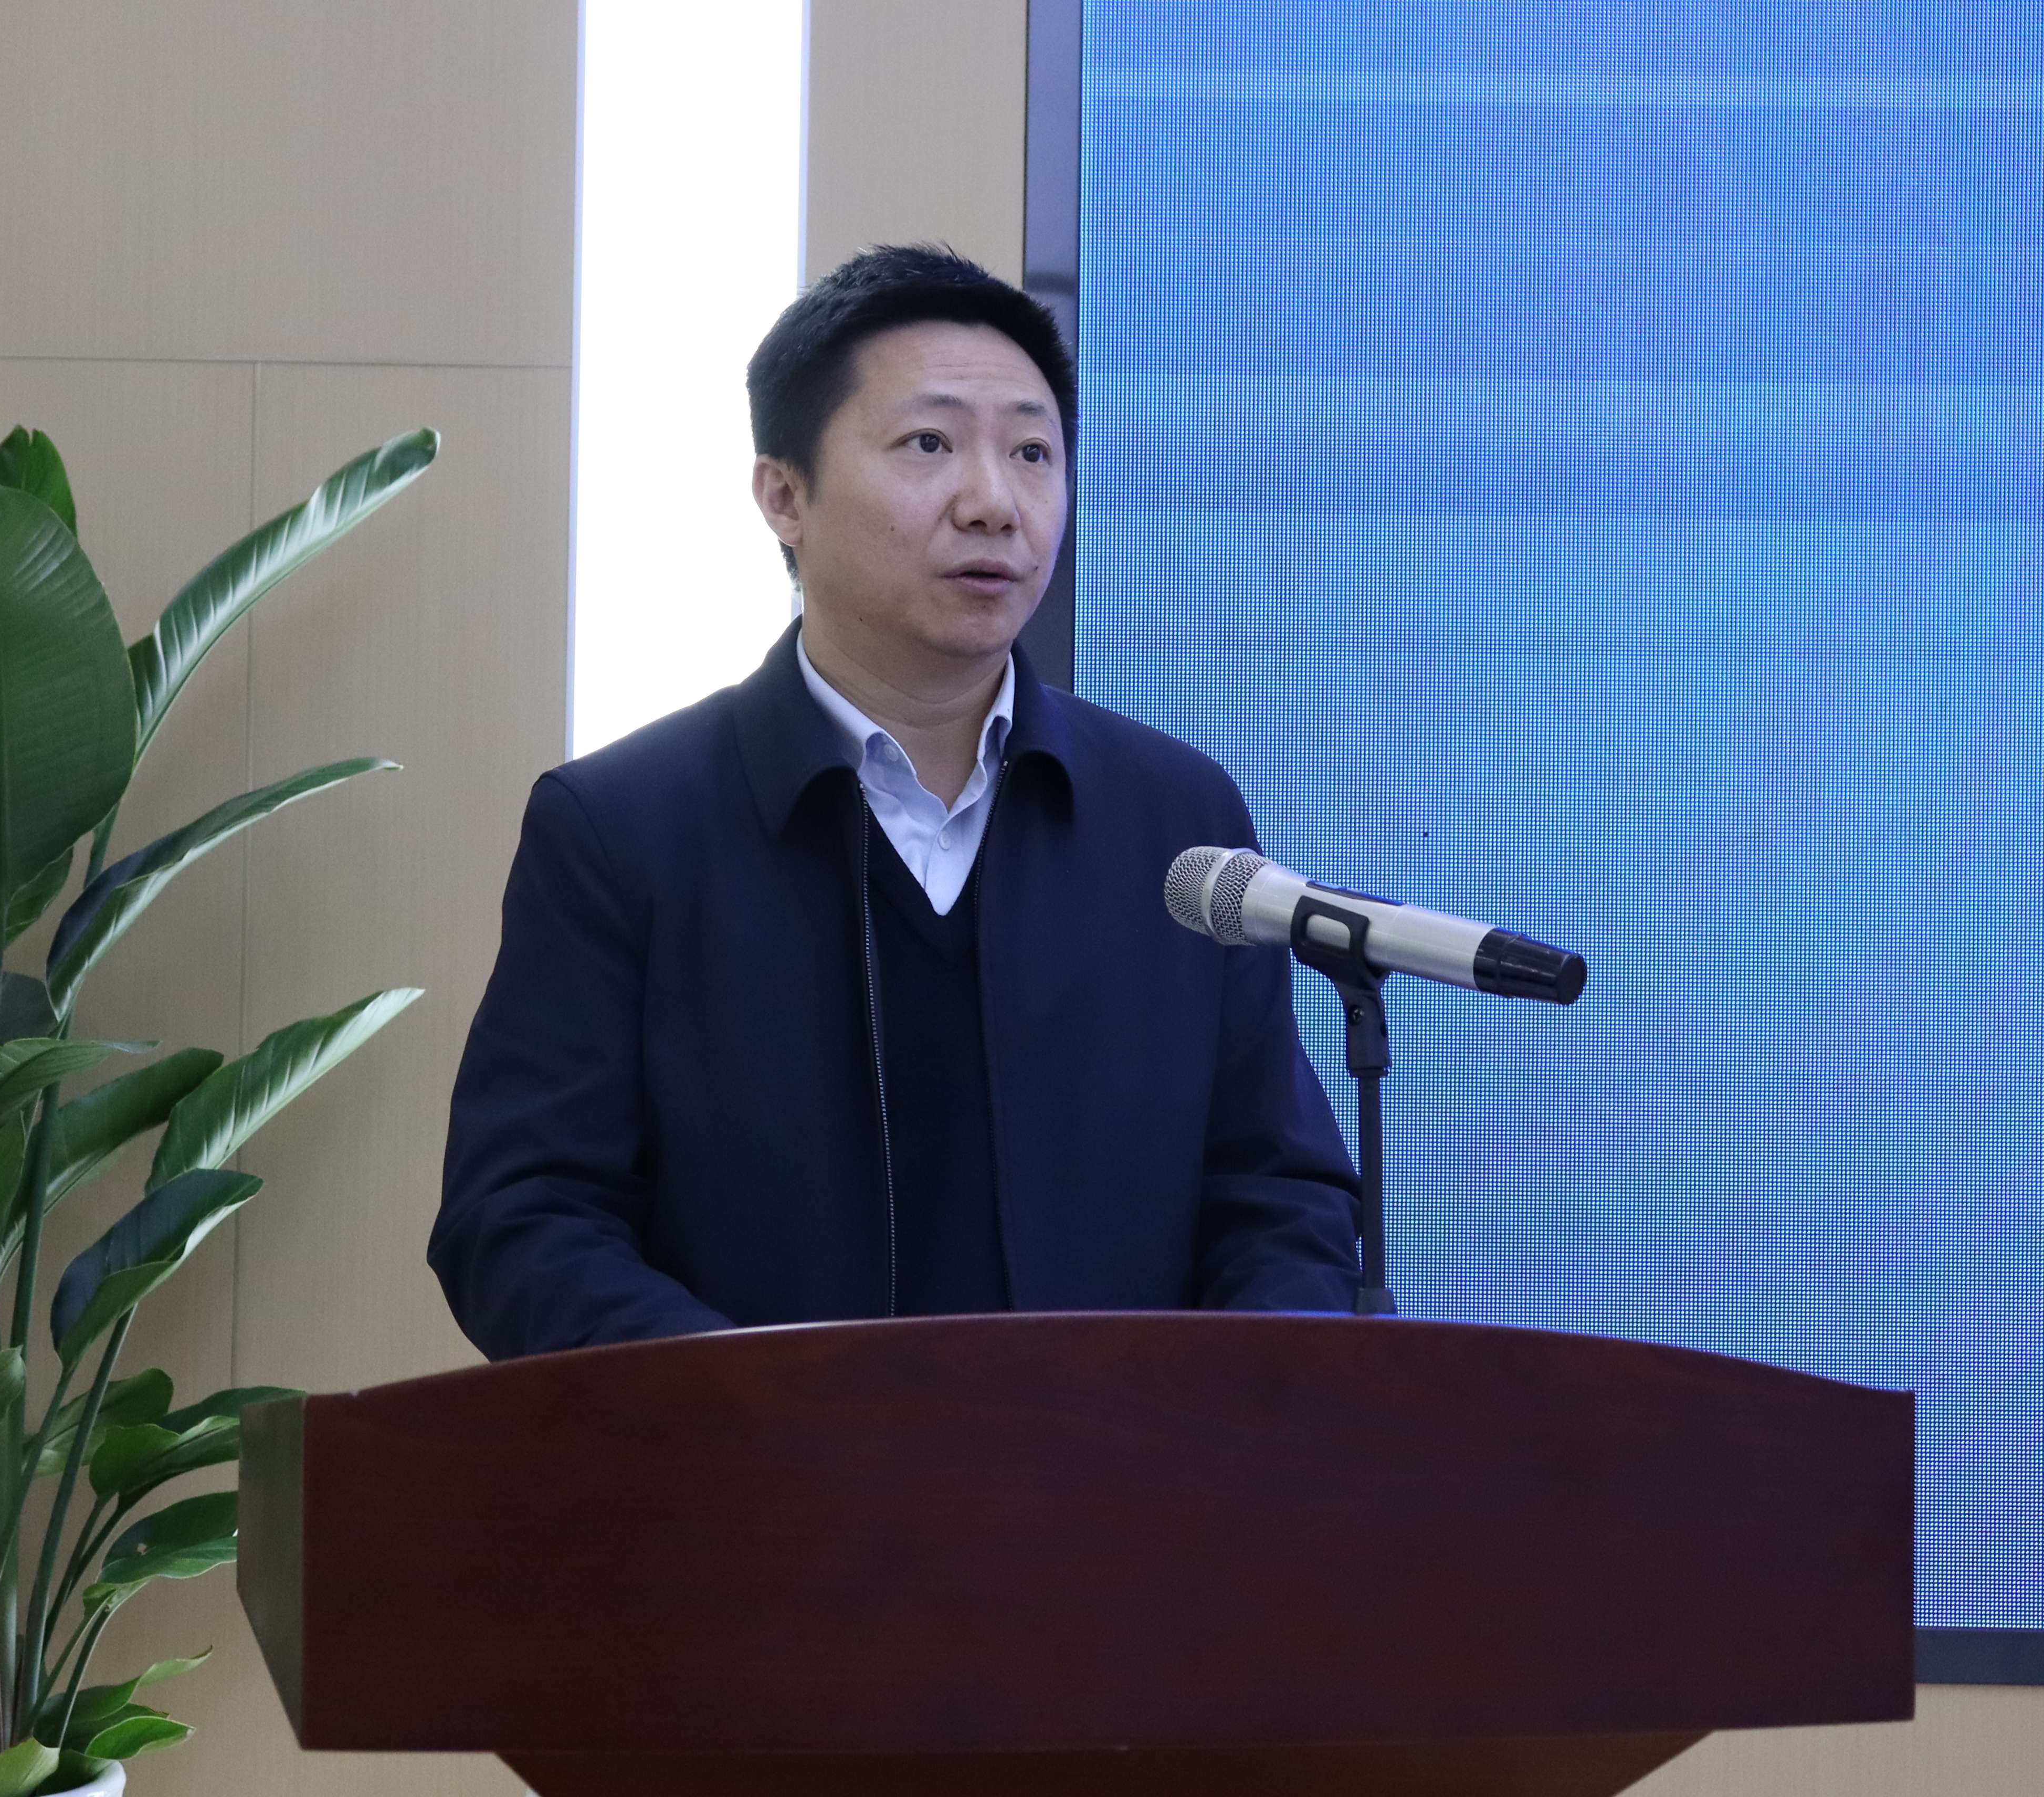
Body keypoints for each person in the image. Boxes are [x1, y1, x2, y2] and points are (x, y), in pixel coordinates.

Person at [431, 244, 1359, 1360]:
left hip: (1122, 1465)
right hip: (759, 1462)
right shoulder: (625, 828)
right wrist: (765, 1410)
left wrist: (1230, 1404)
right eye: (930, 444)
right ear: (784, 495)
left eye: (1032, 452)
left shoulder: (1173, 822)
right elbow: (523, 1219)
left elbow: (1277, 1195)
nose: (994, 503)